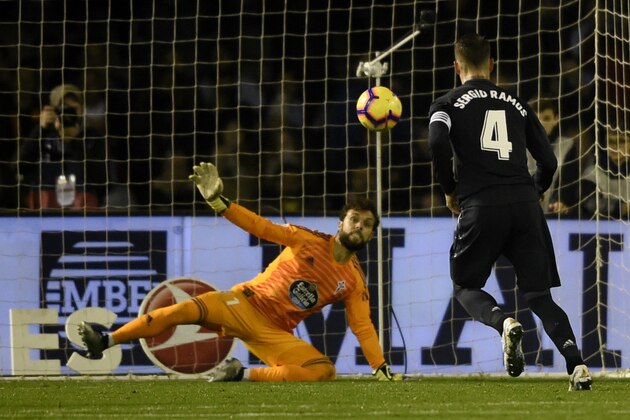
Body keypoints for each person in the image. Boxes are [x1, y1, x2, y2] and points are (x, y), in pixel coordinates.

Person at [79, 162, 402, 382]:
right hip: (243, 303)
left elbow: (362, 326)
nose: (360, 226)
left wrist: (379, 367)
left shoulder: (354, 281)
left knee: (323, 371)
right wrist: (220, 202)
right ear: (341, 223)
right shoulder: (306, 240)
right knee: (178, 311)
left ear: (372, 235)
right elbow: (260, 227)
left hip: (273, 333)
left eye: (368, 224)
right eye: (355, 219)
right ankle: (106, 341)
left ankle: (240, 374)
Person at [426, 33, 592, 391]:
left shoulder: (446, 103)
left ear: (457, 67)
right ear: (492, 65)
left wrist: (449, 189)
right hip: (525, 205)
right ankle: (577, 365)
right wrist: (535, 189)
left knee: (466, 285)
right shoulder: (516, 102)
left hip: (481, 205)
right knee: (539, 296)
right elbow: (547, 159)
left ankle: (503, 322)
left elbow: (437, 141)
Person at [16, 83, 108, 210]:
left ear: (81, 109)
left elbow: (102, 181)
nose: (68, 111)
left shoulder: (92, 137)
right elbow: (17, 167)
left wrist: (76, 142)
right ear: (53, 110)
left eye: (73, 106)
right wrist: (40, 129)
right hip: (45, 208)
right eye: (63, 107)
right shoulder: (42, 137)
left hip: (82, 211)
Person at [526, 98, 582, 216]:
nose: (540, 123)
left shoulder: (566, 145)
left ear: (556, 119)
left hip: (553, 216)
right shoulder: (517, 145)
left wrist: (559, 201)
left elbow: (569, 181)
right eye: (535, 118)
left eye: (546, 118)